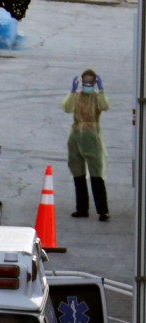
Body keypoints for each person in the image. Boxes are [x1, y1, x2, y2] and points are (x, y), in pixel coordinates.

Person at [62, 68, 110, 221]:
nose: (87, 85)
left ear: (95, 83)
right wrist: (71, 92)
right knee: (78, 173)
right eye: (85, 82)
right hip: (76, 137)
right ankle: (82, 208)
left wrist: (102, 91)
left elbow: (104, 106)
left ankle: (103, 210)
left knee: (96, 175)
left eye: (90, 82)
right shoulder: (76, 97)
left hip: (92, 137)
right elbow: (67, 108)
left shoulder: (96, 98)